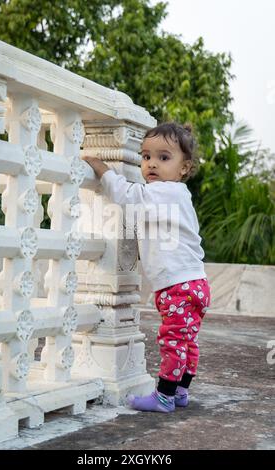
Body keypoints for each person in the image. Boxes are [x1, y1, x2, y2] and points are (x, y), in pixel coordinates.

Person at [83, 121, 211, 413]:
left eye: (163, 158)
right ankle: (180, 391)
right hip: (194, 283)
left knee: (173, 340)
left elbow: (127, 196)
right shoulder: (175, 195)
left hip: (178, 286)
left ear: (184, 168)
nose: (152, 164)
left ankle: (164, 397)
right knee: (186, 340)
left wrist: (102, 169)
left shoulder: (165, 191)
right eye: (146, 156)